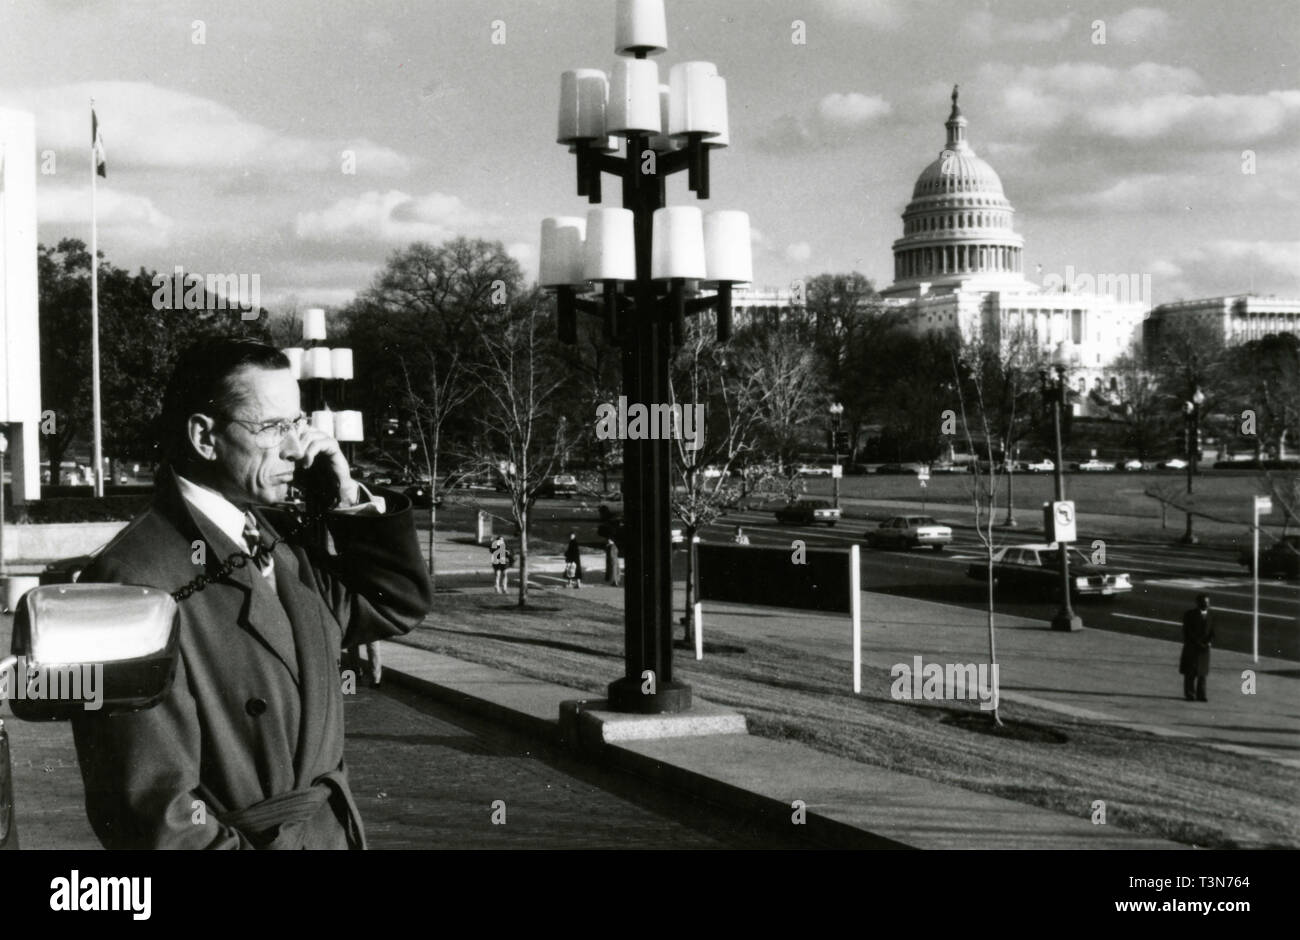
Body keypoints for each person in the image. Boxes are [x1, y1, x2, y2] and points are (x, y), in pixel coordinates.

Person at [70, 339, 433, 849]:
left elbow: (394, 602)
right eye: (272, 427)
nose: (296, 447)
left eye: (298, 423)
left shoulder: (278, 542)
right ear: (204, 437)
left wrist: (348, 494)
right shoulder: (129, 579)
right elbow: (151, 812)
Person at [1180, 593, 1214, 702]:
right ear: (1198, 603)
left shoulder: (1210, 615)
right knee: (1190, 673)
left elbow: (1212, 631)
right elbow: (1188, 632)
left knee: (1202, 673)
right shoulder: (1189, 615)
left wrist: (1209, 642)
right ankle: (1190, 694)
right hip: (1192, 647)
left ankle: (1201, 694)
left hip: (1204, 649)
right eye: (1204, 602)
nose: (1206, 604)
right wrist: (1198, 643)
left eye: (1208, 602)